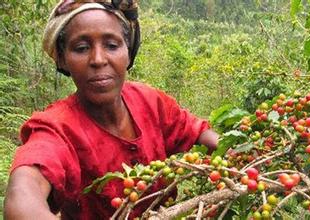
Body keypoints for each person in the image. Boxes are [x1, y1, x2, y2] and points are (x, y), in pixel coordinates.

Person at [4, 0, 219, 219]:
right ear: (63, 59)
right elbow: (22, 196)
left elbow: (197, 131)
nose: (98, 60)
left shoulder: (149, 101)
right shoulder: (57, 128)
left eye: (112, 46)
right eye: (81, 48)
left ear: (128, 52)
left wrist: (238, 150)